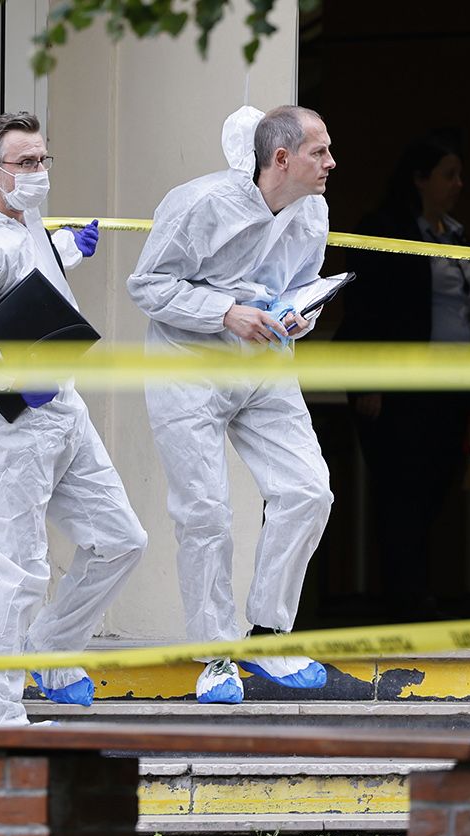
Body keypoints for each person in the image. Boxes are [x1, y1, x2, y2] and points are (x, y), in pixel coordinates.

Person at [0, 111, 142, 726]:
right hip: (10, 422)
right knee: (18, 570)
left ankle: (48, 649)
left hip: (62, 410)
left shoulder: (25, 222)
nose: (40, 172)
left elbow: (26, 282)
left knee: (122, 541)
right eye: (27, 163)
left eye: (44, 160)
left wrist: (67, 248)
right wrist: (14, 375)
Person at [127, 104, 337, 704]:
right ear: (280, 159)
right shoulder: (198, 203)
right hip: (188, 367)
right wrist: (222, 312)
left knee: (307, 490)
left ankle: (268, 632)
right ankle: (217, 656)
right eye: (319, 151)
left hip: (264, 361)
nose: (330, 162)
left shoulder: (313, 210)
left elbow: (302, 280)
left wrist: (299, 313)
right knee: (206, 514)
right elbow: (148, 285)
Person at [339, 133, 470, 607]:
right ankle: (405, 600)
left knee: (439, 484)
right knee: (402, 492)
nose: (458, 184)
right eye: (449, 175)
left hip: (453, 388)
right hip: (402, 388)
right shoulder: (386, 231)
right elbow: (366, 309)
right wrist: (369, 380)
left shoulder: (457, 234)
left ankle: (416, 592)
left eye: (460, 175)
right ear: (419, 180)